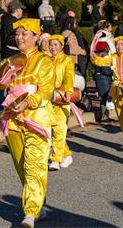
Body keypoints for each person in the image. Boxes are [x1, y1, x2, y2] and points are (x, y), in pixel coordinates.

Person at [0, 18, 55, 228]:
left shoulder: (44, 61)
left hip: (37, 119)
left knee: (34, 166)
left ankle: (30, 213)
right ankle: (39, 204)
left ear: (36, 37)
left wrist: (29, 101)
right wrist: (5, 72)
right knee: (22, 167)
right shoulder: (11, 60)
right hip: (13, 119)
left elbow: (46, 91)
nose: (19, 37)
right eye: (17, 34)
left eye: (24, 34)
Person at [92, 36, 123, 150]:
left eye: (122, 44)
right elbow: (102, 61)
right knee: (121, 116)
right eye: (118, 44)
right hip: (117, 88)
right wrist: (94, 58)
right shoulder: (113, 57)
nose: (119, 46)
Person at [48, 34, 75, 170]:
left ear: (61, 46)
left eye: (55, 45)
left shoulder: (67, 60)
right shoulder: (47, 60)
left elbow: (69, 76)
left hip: (62, 99)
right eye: (50, 45)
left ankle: (55, 159)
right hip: (49, 99)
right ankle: (67, 154)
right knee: (54, 131)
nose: (53, 48)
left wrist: (67, 91)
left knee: (59, 128)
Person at [91, 22, 115, 122]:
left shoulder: (99, 37)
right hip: (104, 68)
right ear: (106, 27)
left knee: (105, 94)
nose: (111, 28)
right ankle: (103, 115)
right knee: (105, 94)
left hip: (104, 68)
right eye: (110, 26)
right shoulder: (103, 38)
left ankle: (105, 115)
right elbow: (102, 54)